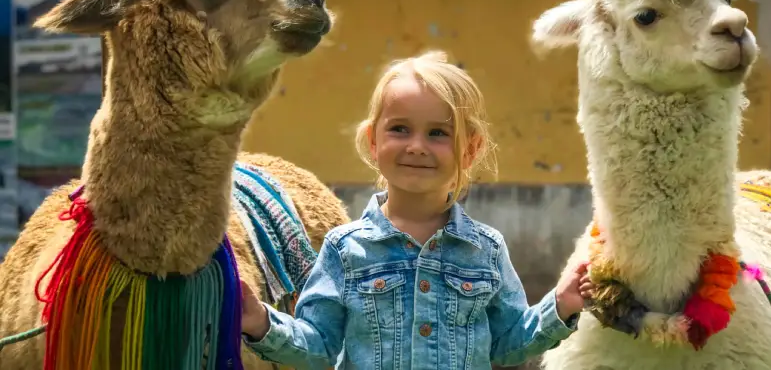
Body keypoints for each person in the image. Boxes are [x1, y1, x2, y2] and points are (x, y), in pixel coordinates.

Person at [240, 50, 594, 369]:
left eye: (438, 133)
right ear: (373, 142)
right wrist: (261, 323)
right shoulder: (344, 249)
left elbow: (507, 344)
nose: (416, 146)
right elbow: (318, 345)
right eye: (400, 129)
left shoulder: (485, 249)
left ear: (470, 150)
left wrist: (560, 305)